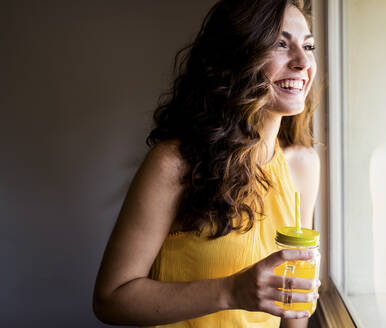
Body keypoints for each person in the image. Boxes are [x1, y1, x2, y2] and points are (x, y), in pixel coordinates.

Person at [93, 0, 320, 327]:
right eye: (280, 44)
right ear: (238, 56)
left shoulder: (304, 166)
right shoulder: (174, 163)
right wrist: (232, 291)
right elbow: (110, 299)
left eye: (308, 46)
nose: (302, 62)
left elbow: (293, 304)